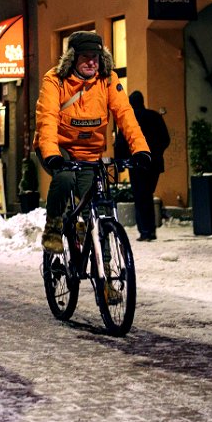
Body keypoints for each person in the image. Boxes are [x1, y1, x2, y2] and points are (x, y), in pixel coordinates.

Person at [34, 30, 151, 254]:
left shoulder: (107, 80)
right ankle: (53, 225)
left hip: (89, 151)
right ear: (72, 58)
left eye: (95, 57)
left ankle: (105, 276)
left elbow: (125, 114)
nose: (91, 62)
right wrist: (51, 154)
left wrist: (141, 150)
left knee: (89, 205)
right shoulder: (55, 80)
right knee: (66, 178)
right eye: (85, 56)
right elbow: (47, 117)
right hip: (58, 147)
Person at [114, 90, 170, 241]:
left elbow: (121, 142)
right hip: (154, 163)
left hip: (137, 163)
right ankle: (150, 230)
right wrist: (156, 152)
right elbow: (166, 139)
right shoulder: (155, 117)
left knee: (140, 196)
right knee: (148, 194)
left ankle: (145, 231)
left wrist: (120, 163)